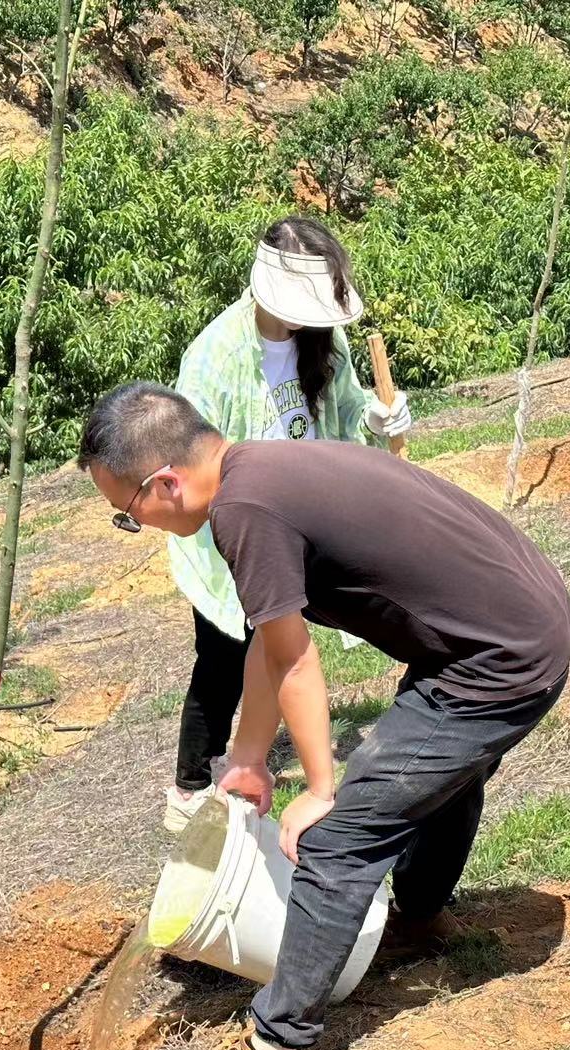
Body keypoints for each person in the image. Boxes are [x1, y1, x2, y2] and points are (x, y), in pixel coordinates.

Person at [79, 383, 570, 1050]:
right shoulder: (263, 471)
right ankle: (419, 922)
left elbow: (300, 662)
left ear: (165, 483)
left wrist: (318, 786)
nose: (137, 525)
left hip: (495, 659)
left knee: (341, 840)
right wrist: (246, 759)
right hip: (506, 626)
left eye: (127, 514)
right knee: (433, 771)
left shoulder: (245, 512)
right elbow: (267, 644)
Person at [163, 217, 413, 835]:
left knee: (282, 645)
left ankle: (249, 762)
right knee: (224, 653)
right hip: (238, 523)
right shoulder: (214, 356)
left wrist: (385, 421)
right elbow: (192, 463)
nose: (306, 319)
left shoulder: (325, 341)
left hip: (301, 516)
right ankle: (191, 783)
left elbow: (348, 411)